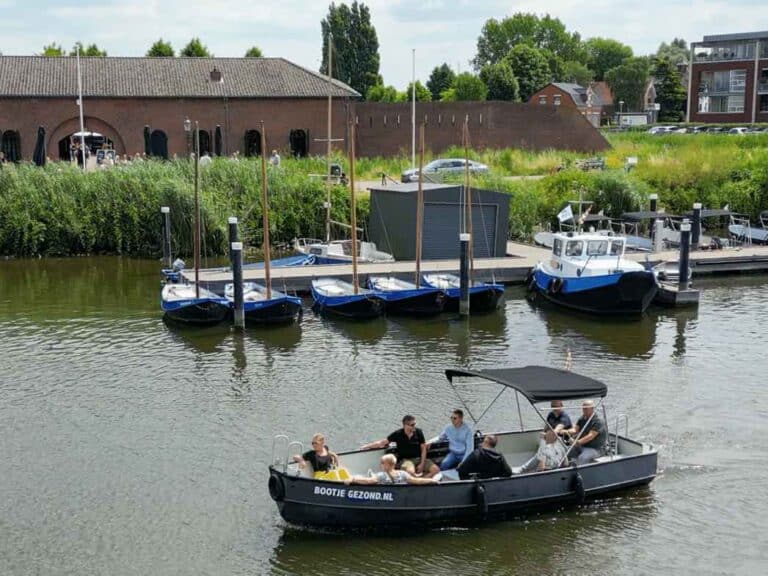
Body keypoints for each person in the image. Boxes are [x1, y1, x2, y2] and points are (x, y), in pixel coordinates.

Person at [361, 415, 440, 477]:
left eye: (415, 424)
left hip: (418, 459)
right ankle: (417, 481)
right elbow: (382, 443)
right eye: (412, 425)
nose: (414, 426)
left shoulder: (419, 432)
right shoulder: (398, 434)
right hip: (406, 460)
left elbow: (423, 449)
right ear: (405, 425)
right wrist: (366, 446)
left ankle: (421, 482)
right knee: (410, 472)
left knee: (436, 470)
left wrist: (422, 464)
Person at [345, 454, 438, 486]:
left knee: (362, 476)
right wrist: (431, 481)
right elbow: (417, 481)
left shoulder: (382, 475)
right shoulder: (403, 474)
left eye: (382, 462)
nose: (380, 464)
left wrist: (353, 479)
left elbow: (369, 481)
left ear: (389, 465)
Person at [566, 399, 607, 465]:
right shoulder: (582, 418)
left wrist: (577, 442)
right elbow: (575, 430)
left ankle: (579, 471)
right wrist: (565, 431)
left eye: (586, 408)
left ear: (592, 409)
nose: (583, 410)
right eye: (583, 408)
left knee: (583, 457)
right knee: (566, 451)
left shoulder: (598, 421)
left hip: (596, 449)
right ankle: (565, 468)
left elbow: (590, 436)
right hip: (582, 446)